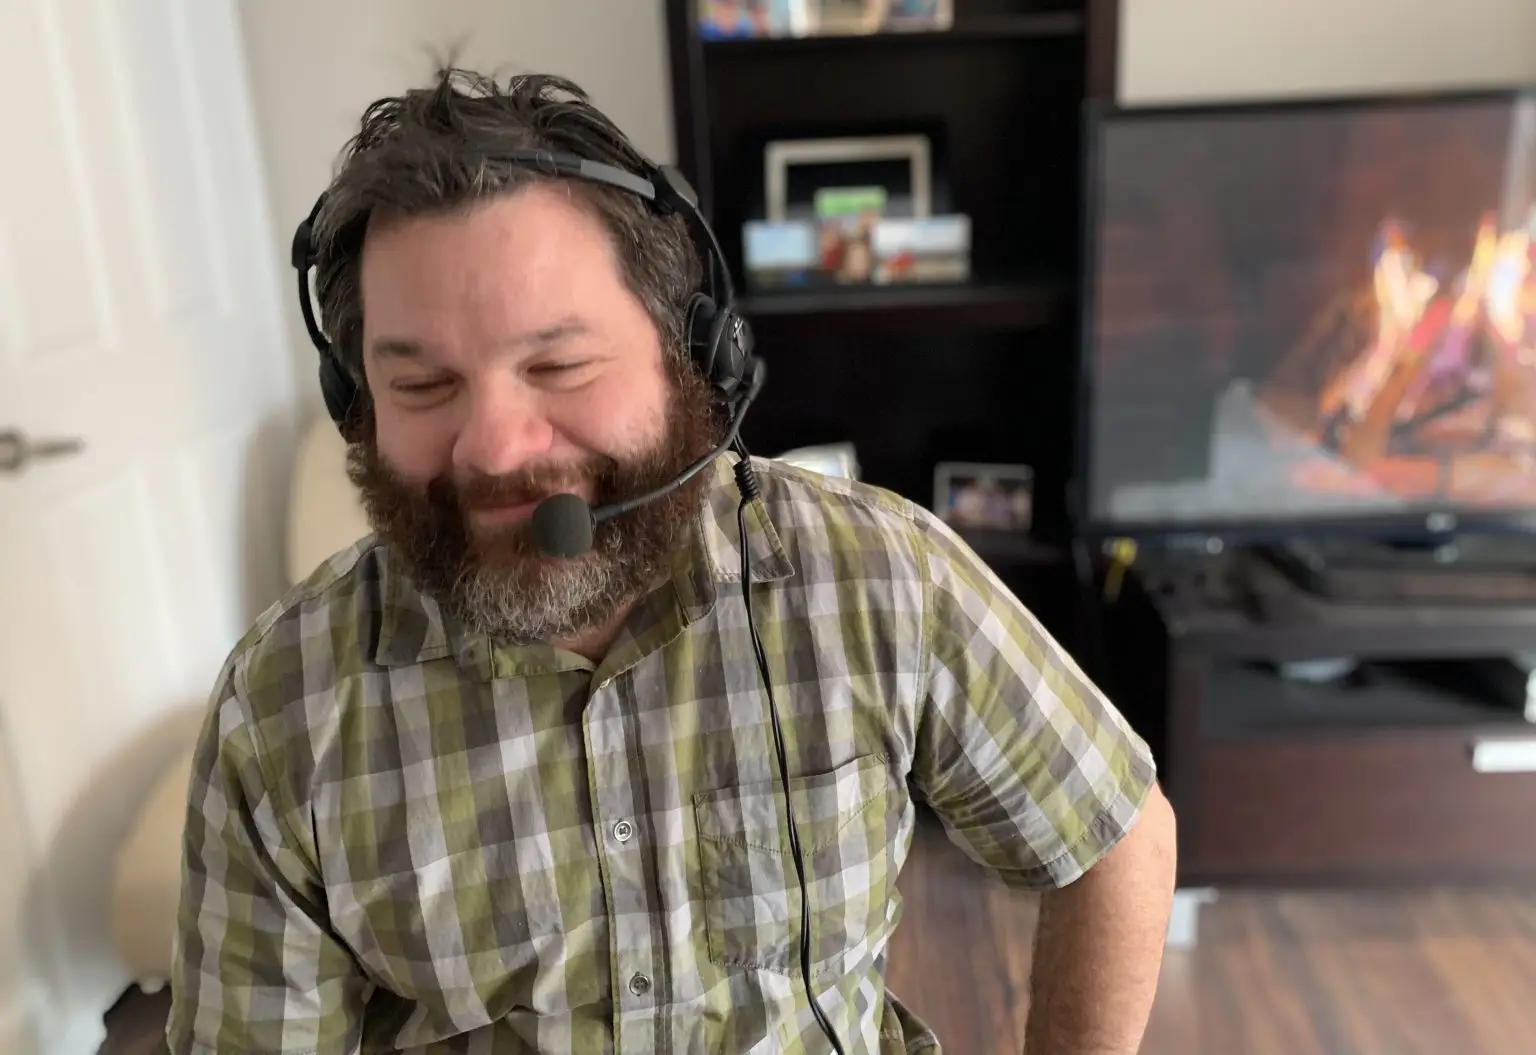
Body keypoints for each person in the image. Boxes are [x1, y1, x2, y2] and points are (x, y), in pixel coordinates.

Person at [167, 67, 1177, 1055]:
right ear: (358, 404)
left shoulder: (878, 577)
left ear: (692, 355)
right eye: (423, 385)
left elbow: (1115, 838)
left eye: (558, 364)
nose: (496, 449)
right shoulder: (282, 711)